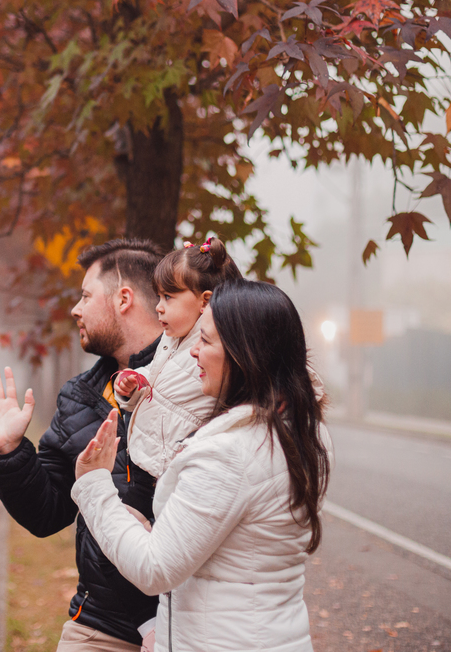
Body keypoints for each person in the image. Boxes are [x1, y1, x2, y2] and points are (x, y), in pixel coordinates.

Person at [71, 279, 332, 652]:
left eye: (206, 340)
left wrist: (94, 485)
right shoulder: (297, 430)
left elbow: (155, 568)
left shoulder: (230, 453)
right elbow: (239, 543)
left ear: (245, 354)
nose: (193, 351)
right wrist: (153, 527)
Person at [0, 239, 165, 651]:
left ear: (124, 298)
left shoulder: (192, 381)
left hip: (190, 624)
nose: (75, 310)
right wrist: (10, 453)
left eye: (85, 296)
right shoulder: (80, 397)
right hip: (99, 628)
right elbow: (46, 513)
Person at [113, 238, 243, 481]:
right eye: (158, 297)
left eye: (168, 297)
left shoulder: (217, 350)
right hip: (146, 458)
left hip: (171, 470)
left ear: (205, 301)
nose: (159, 307)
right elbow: (156, 374)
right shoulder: (173, 336)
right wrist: (135, 383)